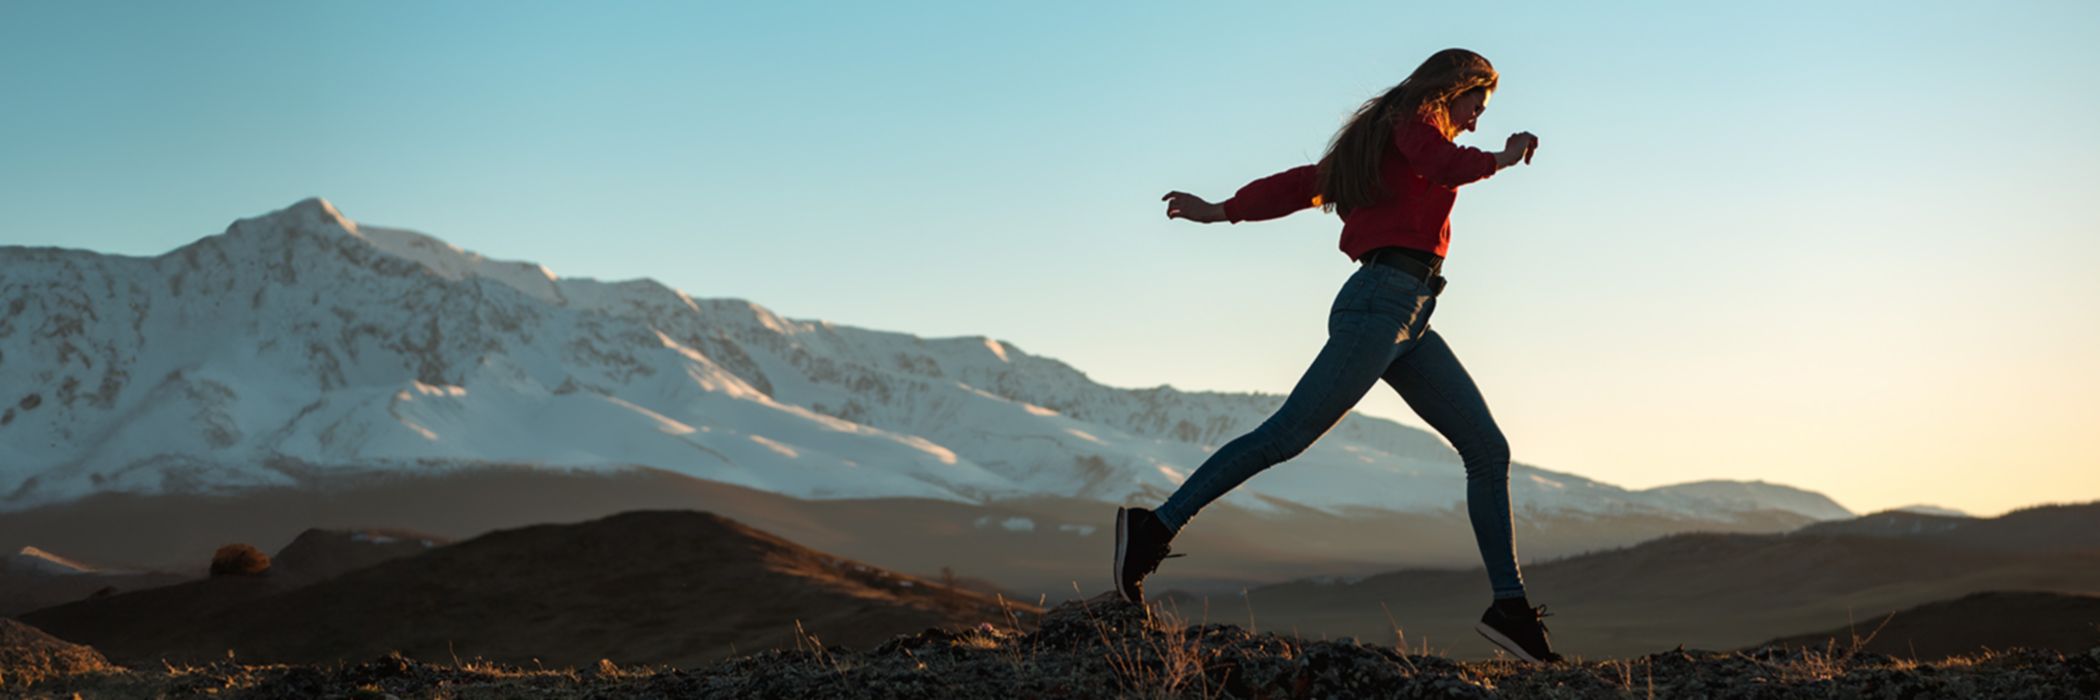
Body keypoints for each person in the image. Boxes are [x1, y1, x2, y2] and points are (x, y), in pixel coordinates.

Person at [1114, 48, 1561, 663]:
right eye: (1475, 106)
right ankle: (1154, 528)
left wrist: (1222, 210)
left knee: (1488, 450)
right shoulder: (1415, 123)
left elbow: (1304, 184)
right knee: (1286, 436)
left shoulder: (1388, 141)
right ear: (1452, 90)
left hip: (1409, 313)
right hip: (1381, 303)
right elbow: (1441, 162)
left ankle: (1509, 607)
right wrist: (1500, 160)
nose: (1477, 121)